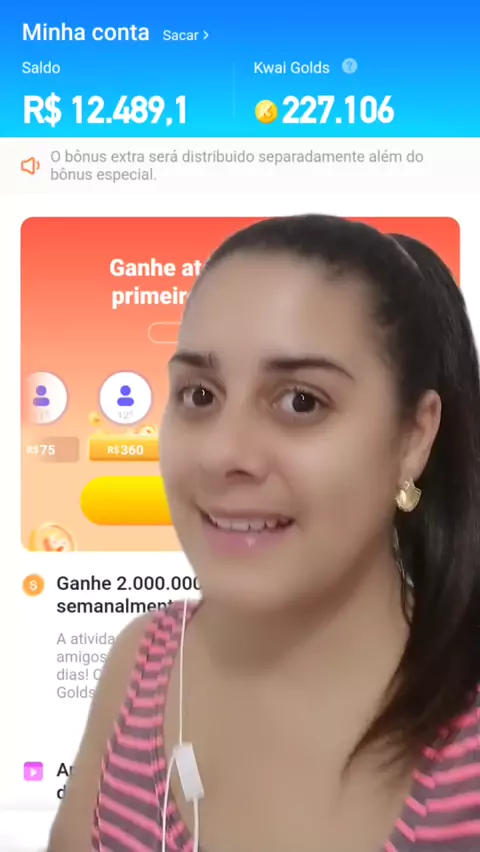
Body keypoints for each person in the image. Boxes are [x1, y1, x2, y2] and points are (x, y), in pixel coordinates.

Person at [47, 215, 480, 852]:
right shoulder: (142, 663)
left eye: (301, 401)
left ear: (414, 438)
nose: (225, 452)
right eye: (199, 395)